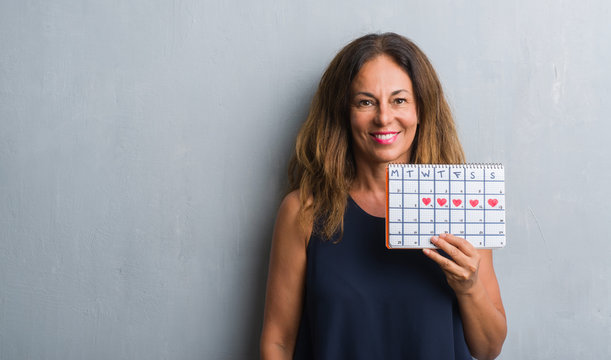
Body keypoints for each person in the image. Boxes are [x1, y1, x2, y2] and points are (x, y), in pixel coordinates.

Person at [260, 33, 507, 360]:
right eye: (365, 101)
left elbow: (489, 349)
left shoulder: (461, 200)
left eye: (399, 100)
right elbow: (277, 342)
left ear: (421, 108)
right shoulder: (303, 210)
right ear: (344, 113)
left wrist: (469, 287)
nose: (384, 117)